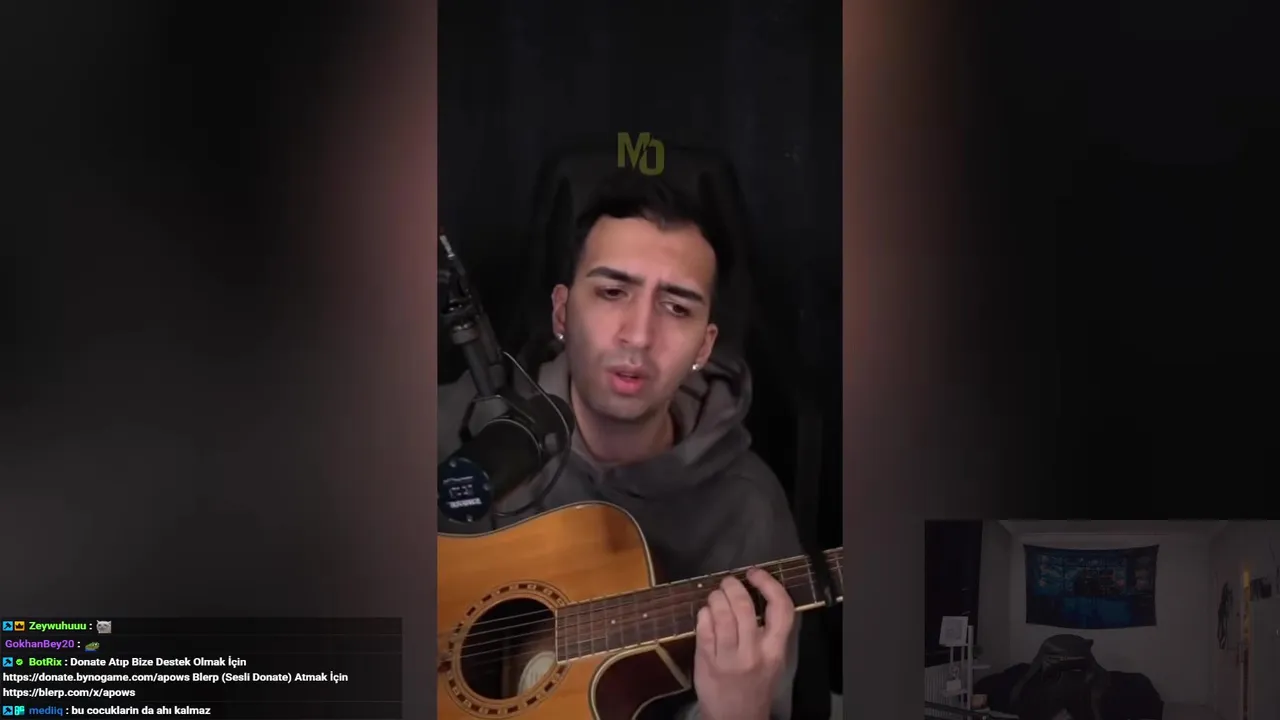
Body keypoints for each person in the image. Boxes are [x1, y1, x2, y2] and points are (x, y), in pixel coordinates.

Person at [438, 171, 804, 720]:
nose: (639, 335)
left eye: (677, 308)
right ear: (562, 312)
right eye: (612, 292)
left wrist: (737, 713)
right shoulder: (445, 426)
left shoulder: (748, 507)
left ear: (705, 347)